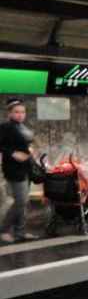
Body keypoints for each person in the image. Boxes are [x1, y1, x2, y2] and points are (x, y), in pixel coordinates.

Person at [0, 98, 37, 242]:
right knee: (20, 201)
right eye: (16, 112)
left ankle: (20, 231)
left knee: (23, 201)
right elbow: (2, 146)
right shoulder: (5, 127)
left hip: (26, 168)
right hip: (14, 169)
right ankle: (4, 230)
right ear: (9, 113)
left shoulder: (23, 128)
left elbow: (26, 146)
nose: (20, 115)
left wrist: (30, 151)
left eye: (23, 112)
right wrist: (13, 153)